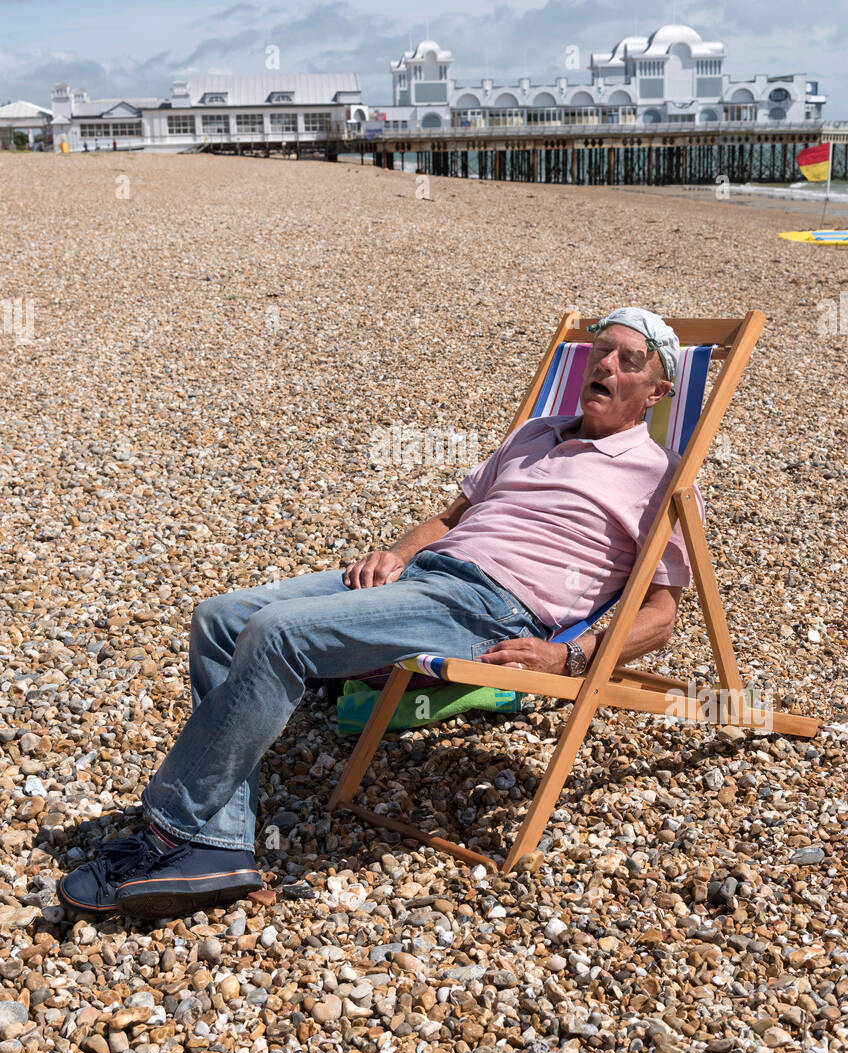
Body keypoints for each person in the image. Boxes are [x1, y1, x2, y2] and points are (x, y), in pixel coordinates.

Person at [60, 307, 702, 919]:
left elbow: (663, 612)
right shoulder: (535, 433)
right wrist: (396, 552)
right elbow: (451, 519)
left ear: (657, 390)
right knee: (221, 617)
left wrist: (573, 655)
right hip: (426, 576)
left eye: (630, 360)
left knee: (277, 634)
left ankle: (169, 834)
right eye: (602, 350)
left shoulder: (658, 475)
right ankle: (221, 843)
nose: (608, 364)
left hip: (489, 608)